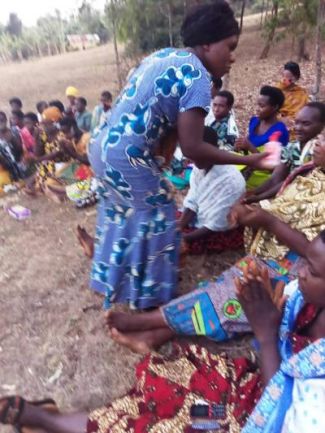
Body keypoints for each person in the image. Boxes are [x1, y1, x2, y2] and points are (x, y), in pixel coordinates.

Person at [1, 230, 325, 433]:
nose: (300, 272)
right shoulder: (304, 298)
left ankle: (49, 420)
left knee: (169, 426)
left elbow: (282, 421)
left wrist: (266, 334)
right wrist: (262, 312)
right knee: (174, 389)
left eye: (312, 270)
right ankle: (57, 418)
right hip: (255, 387)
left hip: (263, 418)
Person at [87, 1, 268, 309]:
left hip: (102, 147)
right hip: (128, 158)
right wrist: (248, 160)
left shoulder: (165, 55)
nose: (233, 56)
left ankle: (111, 281)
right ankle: (148, 301)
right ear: (208, 42)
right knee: (158, 214)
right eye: (230, 46)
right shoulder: (198, 77)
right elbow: (195, 148)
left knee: (120, 213)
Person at [104, 135, 325, 351]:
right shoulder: (309, 170)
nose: (319, 143)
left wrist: (267, 220)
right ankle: (155, 335)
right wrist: (254, 204)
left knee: (237, 295)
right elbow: (278, 192)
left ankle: (148, 322)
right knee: (226, 283)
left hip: (306, 266)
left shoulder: (230, 178)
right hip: (275, 246)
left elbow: (316, 254)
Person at [179, 126, 245, 253]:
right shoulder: (199, 168)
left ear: (213, 150)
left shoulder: (231, 182)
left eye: (198, 155)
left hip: (218, 230)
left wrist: (183, 238)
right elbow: (193, 198)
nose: (193, 160)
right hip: (201, 220)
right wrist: (179, 225)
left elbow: (216, 223)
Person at [246, 102, 325, 202]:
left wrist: (258, 197)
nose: (298, 128)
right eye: (296, 122)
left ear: (322, 125)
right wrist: (254, 192)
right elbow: (275, 178)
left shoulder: (318, 151)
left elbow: (293, 182)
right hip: (287, 195)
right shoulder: (291, 147)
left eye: (306, 124)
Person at [235, 85, 289, 188]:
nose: (257, 109)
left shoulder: (280, 131)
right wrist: (240, 146)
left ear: (275, 107)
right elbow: (248, 147)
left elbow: (273, 166)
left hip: (263, 179)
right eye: (257, 105)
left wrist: (250, 147)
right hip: (247, 169)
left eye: (262, 106)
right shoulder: (254, 121)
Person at [0, 111, 22, 188]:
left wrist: (12, 138)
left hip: (16, 164)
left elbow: (20, 150)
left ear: (6, 120)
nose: (0, 122)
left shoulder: (14, 130)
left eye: (2, 120)